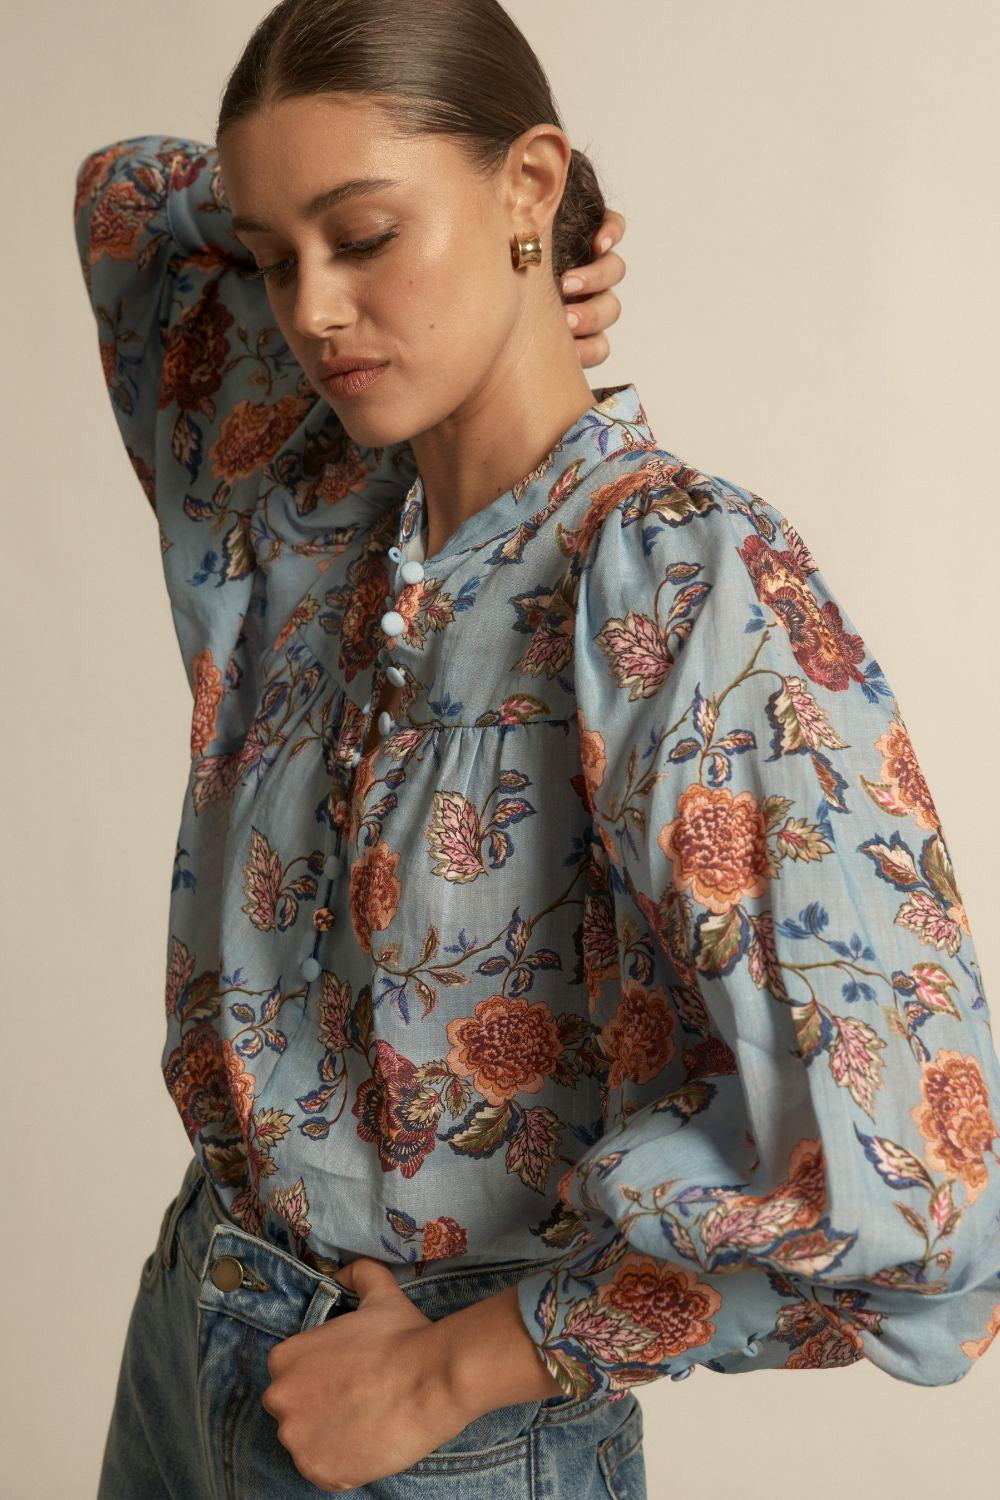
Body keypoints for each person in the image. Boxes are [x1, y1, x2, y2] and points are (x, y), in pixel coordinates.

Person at [72, 1, 1000, 1496]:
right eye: (272, 255)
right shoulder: (311, 507)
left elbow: (922, 1183)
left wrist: (460, 1367)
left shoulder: (677, 581)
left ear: (527, 181)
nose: (310, 310)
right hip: (199, 1325)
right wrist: (471, 255)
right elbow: (125, 198)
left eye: (365, 234)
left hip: (440, 1427)